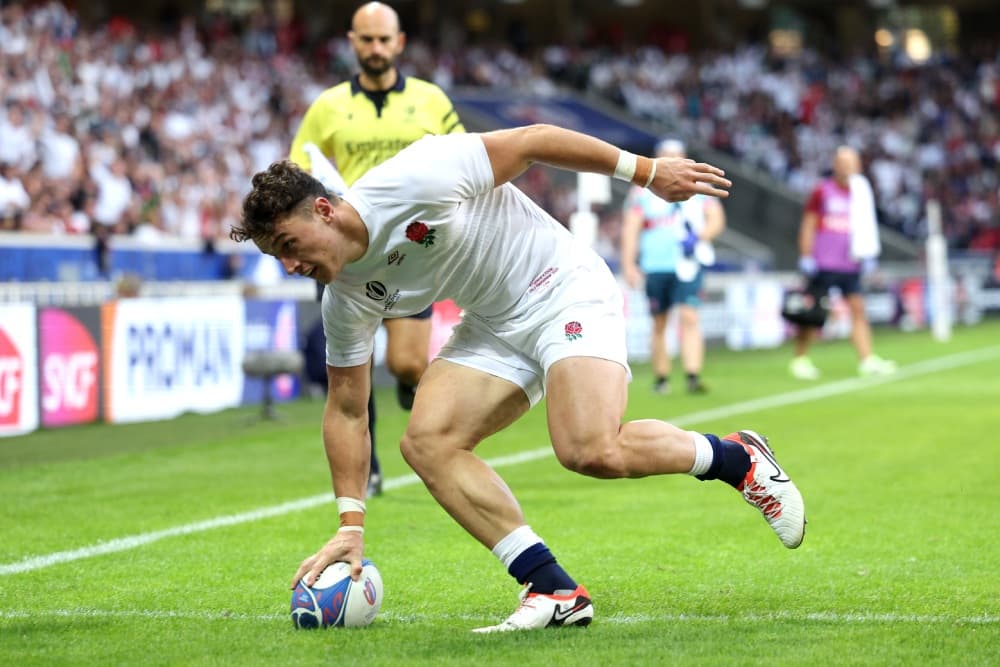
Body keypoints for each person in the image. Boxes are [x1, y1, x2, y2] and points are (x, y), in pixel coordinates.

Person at [231, 123, 806, 633]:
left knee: (589, 449)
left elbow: (532, 143)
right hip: (494, 325)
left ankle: (739, 460)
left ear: (325, 212)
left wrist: (647, 172)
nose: (289, 265)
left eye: (289, 245)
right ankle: (551, 588)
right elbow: (349, 410)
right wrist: (349, 524)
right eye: (275, 257)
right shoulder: (345, 298)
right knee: (427, 443)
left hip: (561, 286)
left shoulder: (412, 179)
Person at [289, 2, 465, 496]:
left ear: (400, 43)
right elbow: (298, 168)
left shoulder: (431, 101)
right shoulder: (327, 108)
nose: (376, 48)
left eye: (384, 40)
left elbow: (464, 156)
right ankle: (368, 469)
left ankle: (412, 387)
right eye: (367, 40)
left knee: (407, 363)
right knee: (352, 367)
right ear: (353, 42)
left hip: (414, 250)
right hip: (346, 254)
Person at [621, 138, 726, 395]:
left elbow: (716, 220)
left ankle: (692, 374)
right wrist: (629, 264)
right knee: (659, 322)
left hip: (688, 264)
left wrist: (699, 237)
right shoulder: (641, 191)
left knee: (690, 316)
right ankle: (661, 377)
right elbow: (631, 229)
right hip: (655, 265)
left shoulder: (698, 184)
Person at [790, 146, 896, 380]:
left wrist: (868, 256)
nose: (847, 168)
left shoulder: (861, 194)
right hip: (824, 262)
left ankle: (867, 359)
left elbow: (867, 228)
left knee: (858, 309)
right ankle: (800, 358)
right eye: (843, 163)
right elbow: (809, 224)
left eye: (851, 163)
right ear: (835, 165)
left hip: (851, 263)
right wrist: (806, 255)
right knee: (813, 313)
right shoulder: (822, 191)